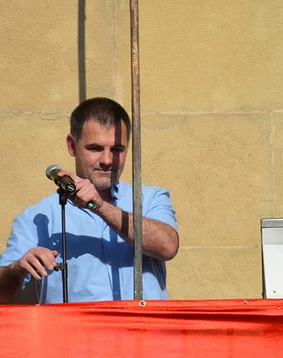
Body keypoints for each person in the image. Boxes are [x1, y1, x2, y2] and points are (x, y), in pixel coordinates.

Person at [0, 98, 179, 304]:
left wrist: (100, 206)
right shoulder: (37, 217)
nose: (107, 160)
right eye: (95, 148)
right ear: (72, 145)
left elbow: (167, 247)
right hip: (74, 327)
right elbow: (2, 296)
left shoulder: (149, 198)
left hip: (142, 325)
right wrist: (16, 270)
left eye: (117, 150)